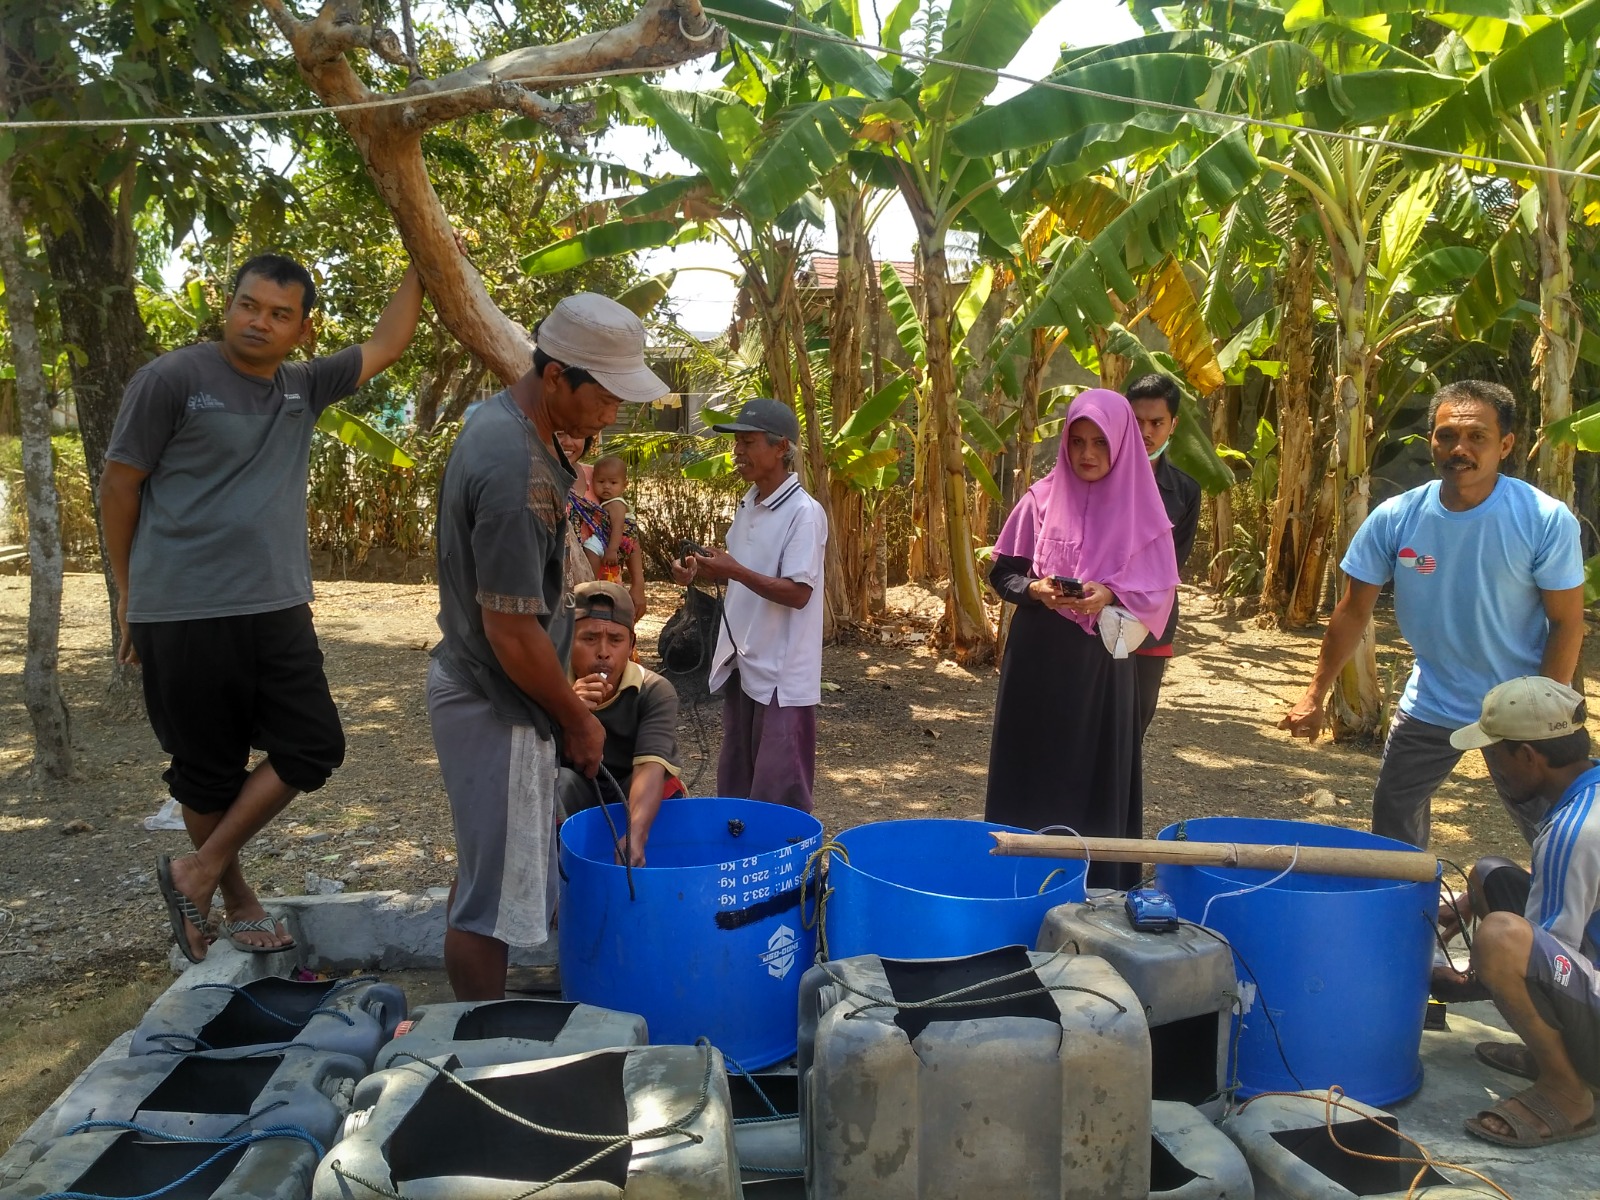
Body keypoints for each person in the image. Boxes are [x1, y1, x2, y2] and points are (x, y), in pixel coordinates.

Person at [102, 252, 429, 962]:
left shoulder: (303, 387)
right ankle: (233, 896)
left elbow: (387, 343)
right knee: (205, 769)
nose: (260, 322)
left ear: (302, 329)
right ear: (229, 305)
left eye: (280, 313)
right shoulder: (173, 380)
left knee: (313, 744)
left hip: (278, 606)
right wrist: (131, 597)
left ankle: (197, 867)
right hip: (182, 609)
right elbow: (120, 488)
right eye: (250, 305)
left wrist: (423, 260)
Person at [429, 293, 668, 1001]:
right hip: (492, 700)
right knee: (489, 901)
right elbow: (509, 629)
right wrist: (578, 718)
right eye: (607, 396)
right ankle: (480, 1039)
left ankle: (482, 1026)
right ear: (557, 376)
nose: (614, 415)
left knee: (488, 875)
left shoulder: (512, 427)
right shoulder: (516, 472)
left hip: (499, 693)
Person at [1278, 380, 1586, 848]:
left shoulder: (1542, 518)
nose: (1459, 448)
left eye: (1477, 437)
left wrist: (1546, 712)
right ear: (1431, 442)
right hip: (1434, 699)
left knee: (1553, 826)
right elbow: (1351, 611)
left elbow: (1566, 622)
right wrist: (1314, 693)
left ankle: (1573, 917)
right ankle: (1406, 910)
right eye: (1446, 436)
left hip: (1522, 701)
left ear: (1505, 444)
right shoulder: (1396, 517)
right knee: (1394, 816)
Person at [985, 389, 1179, 890]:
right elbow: (1003, 573)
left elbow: (1158, 592)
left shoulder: (1146, 513)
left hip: (1100, 667)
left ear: (1122, 444)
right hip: (1037, 660)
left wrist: (1109, 591)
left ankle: (1099, 884)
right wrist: (1035, 589)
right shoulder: (1039, 500)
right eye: (1077, 442)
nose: (1087, 454)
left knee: (1091, 772)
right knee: (1031, 767)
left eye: (1100, 443)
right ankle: (1021, 879)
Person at [1431, 677, 1599, 1148]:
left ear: (1528, 755)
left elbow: (1546, 952)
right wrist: (1469, 905)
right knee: (1488, 874)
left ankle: (1569, 1087)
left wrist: (1482, 970)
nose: (1491, 768)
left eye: (1495, 754)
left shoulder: (1576, 830)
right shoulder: (1592, 789)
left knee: (1501, 939)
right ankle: (1563, 1055)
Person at [670, 398, 827, 812]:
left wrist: (734, 570)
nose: (738, 453)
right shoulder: (750, 502)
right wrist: (702, 567)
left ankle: (787, 874)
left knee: (779, 794)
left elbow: (798, 593)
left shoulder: (804, 513)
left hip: (782, 675)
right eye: (736, 443)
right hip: (744, 662)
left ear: (781, 448)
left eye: (748, 442)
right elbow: (739, 569)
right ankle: (741, 871)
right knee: (738, 785)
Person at [556, 582, 685, 865]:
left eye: (615, 640)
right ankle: (556, 883)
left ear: (631, 645)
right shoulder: (550, 687)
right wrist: (568, 712)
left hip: (630, 793)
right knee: (555, 783)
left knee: (668, 785)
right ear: (567, 640)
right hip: (573, 798)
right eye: (589, 639)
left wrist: (636, 833)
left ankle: (661, 871)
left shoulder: (653, 690)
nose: (603, 652)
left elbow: (650, 768)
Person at [1125, 374, 1201, 736]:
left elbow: (1172, 564)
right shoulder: (1093, 479)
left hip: (1151, 623)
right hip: (1090, 620)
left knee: (1135, 722)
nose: (1145, 432)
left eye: (1156, 422)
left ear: (1174, 424)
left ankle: (1121, 794)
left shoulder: (1185, 492)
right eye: (1137, 421)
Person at [575, 453, 647, 620]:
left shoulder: (595, 475)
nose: (606, 486)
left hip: (609, 579)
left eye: (613, 483)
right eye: (601, 482)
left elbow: (628, 535)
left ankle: (588, 585)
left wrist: (638, 584)